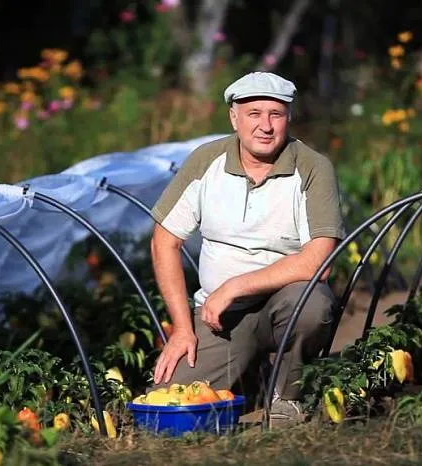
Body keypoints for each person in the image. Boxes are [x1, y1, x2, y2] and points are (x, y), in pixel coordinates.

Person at [148, 71, 346, 421]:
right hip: (220, 317)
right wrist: (181, 328)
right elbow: (165, 241)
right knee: (167, 406)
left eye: (276, 114)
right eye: (254, 114)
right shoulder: (206, 160)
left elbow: (320, 261)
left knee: (314, 304)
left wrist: (236, 285)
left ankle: (289, 396)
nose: (265, 126)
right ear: (234, 117)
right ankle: (252, 378)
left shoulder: (312, 167)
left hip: (285, 305)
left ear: (289, 117)